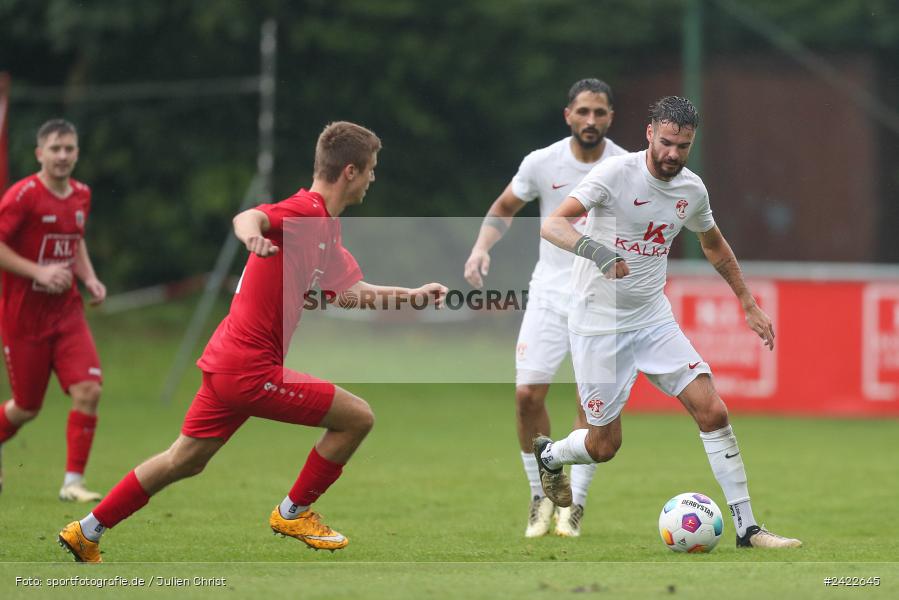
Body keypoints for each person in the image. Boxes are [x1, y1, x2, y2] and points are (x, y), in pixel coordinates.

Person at [58, 121, 447, 562]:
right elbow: (250, 217)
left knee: (184, 459)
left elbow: (350, 293)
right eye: (372, 169)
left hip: (229, 361)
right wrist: (252, 238)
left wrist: (410, 297)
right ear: (351, 171)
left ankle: (86, 530)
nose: (374, 178)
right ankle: (293, 512)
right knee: (357, 418)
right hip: (249, 369)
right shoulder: (306, 211)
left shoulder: (326, 228)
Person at [535, 96, 802, 548]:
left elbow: (713, 245)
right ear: (649, 134)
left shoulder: (692, 190)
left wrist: (748, 302)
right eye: (666, 143)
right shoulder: (614, 175)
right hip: (598, 323)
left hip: (652, 318)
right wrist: (598, 253)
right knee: (603, 446)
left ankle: (748, 529)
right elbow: (553, 225)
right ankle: (552, 454)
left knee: (713, 410)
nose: (673, 154)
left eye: (683, 146)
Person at [463, 79, 627, 538]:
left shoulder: (626, 166)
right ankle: (540, 494)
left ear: (611, 117)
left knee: (589, 404)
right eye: (583, 112)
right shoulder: (542, 163)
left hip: (600, 300)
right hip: (550, 295)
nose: (590, 120)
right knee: (526, 397)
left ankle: (574, 503)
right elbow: (504, 206)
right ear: (567, 115)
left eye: (599, 112)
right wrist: (481, 247)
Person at [0, 119, 106, 502]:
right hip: (23, 319)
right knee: (26, 407)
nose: (62, 156)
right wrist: (38, 271)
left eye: (69, 149)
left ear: (77, 153)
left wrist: (90, 279)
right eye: (55, 148)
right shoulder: (23, 196)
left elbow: (75, 242)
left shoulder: (81, 194)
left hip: (66, 315)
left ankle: (72, 483)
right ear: (39, 154)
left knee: (89, 389)